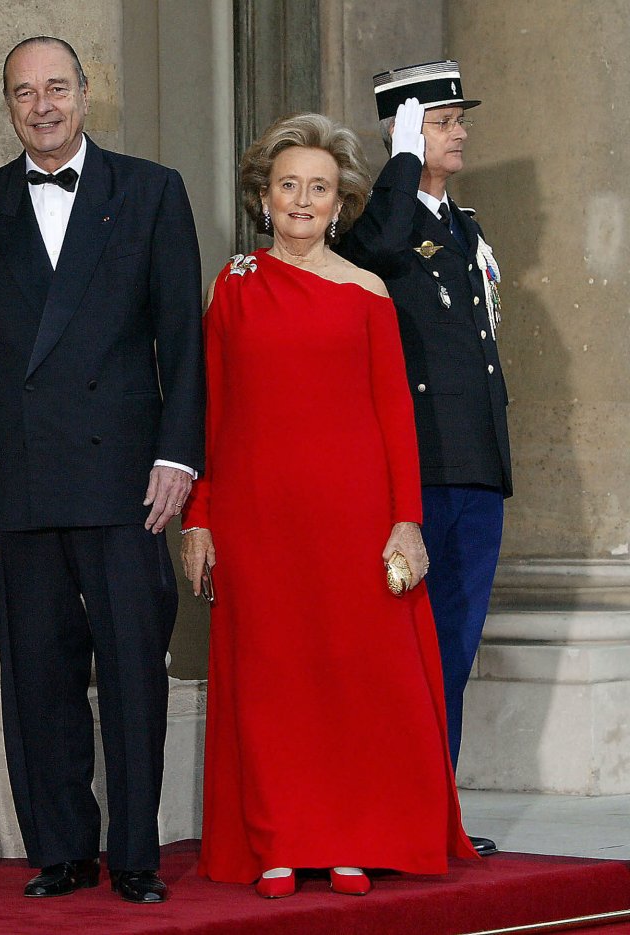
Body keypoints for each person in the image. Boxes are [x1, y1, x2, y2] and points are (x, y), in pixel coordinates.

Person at [0, 36, 205, 905]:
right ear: (7, 106)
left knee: (132, 670)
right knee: (38, 673)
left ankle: (134, 854)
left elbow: (184, 343)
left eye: (57, 87)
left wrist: (178, 455)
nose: (42, 105)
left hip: (129, 478)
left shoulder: (153, 191)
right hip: (17, 478)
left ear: (88, 94)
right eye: (24, 92)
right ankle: (59, 848)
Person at [180, 112, 477, 897]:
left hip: (352, 514)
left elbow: (394, 418)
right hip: (256, 516)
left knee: (347, 676)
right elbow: (211, 412)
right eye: (288, 186)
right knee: (271, 677)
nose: (302, 201)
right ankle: (277, 839)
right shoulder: (232, 285)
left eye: (317, 188)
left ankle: (346, 835)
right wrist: (200, 515)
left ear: (339, 202)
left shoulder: (369, 291)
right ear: (263, 197)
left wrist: (405, 520)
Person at [336, 61, 510, 857]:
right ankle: (400, 814)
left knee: (456, 647)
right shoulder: (384, 222)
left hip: (473, 465)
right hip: (420, 469)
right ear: (402, 134)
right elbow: (371, 252)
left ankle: (435, 815)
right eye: (441, 121)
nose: (460, 131)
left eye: (455, 119)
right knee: (410, 653)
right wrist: (400, 167)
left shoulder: (462, 225)